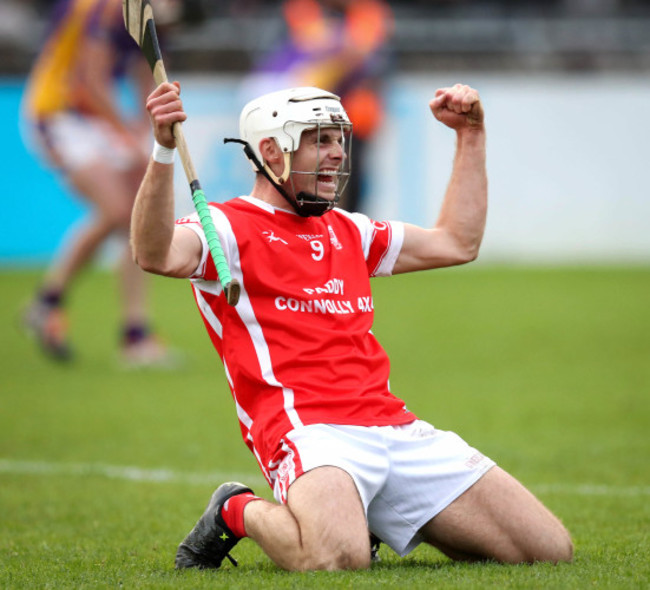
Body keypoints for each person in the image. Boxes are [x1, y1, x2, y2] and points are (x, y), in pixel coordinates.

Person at [131, 81, 573, 571]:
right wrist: (163, 150)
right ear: (272, 151)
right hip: (306, 430)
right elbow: (154, 253)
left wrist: (470, 135)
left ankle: (379, 512)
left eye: (341, 140)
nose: (338, 154)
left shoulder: (350, 230)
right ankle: (236, 510)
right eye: (320, 140)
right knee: (335, 558)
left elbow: (457, 242)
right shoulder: (225, 229)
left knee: (548, 550)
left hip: (394, 427)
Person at [21, 0, 180, 365]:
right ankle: (49, 301)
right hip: (58, 113)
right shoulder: (102, 9)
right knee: (118, 210)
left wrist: (147, 129)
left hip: (93, 118)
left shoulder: (147, 11)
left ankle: (134, 334)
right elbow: (90, 83)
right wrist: (127, 136)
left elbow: (147, 72)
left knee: (136, 216)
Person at [244, 0, 393, 213]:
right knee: (313, 180)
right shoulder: (302, 10)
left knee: (346, 184)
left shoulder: (367, 11)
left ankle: (340, 232)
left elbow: (360, 52)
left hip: (354, 121)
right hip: (307, 118)